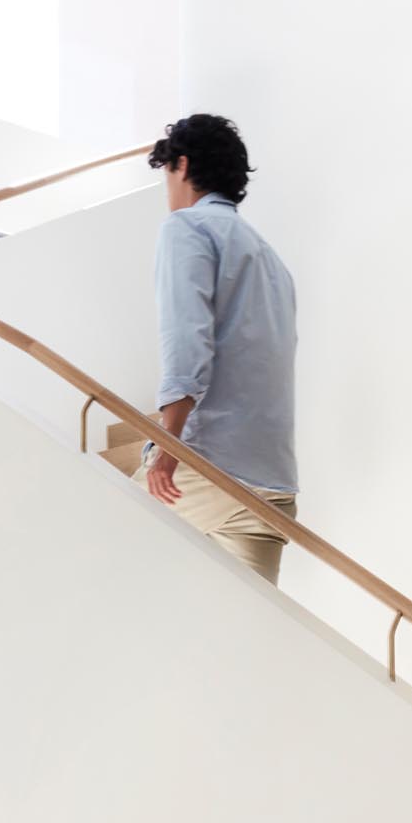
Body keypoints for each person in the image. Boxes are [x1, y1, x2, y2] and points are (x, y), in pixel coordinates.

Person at [134, 114, 298, 586]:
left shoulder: (186, 228)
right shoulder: (269, 257)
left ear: (181, 165)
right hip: (273, 482)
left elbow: (187, 341)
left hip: (211, 465)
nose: (167, 190)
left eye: (166, 175)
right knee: (244, 641)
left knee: (107, 558)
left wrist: (168, 447)